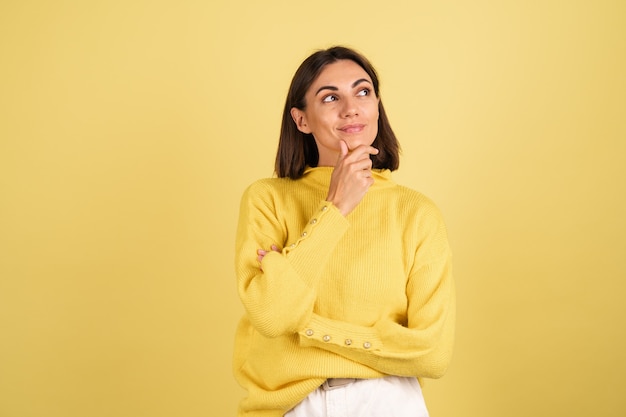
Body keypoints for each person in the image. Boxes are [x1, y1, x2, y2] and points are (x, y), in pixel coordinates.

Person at [233, 46, 455, 417]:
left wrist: (306, 328)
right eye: (330, 97)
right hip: (290, 407)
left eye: (363, 92)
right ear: (301, 120)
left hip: (386, 403)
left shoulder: (416, 213)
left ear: (377, 106)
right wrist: (336, 208)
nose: (351, 108)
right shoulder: (267, 200)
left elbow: (432, 354)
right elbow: (273, 315)